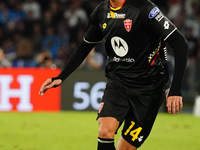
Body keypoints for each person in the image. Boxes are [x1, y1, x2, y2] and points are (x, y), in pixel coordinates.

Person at [39, 0, 189, 150]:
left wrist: (175, 89)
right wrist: (60, 77)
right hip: (118, 82)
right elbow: (85, 46)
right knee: (105, 131)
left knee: (125, 148)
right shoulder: (101, 11)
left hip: (149, 88)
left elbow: (180, 43)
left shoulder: (144, 8)